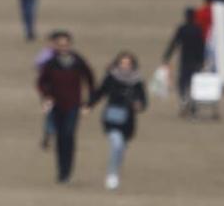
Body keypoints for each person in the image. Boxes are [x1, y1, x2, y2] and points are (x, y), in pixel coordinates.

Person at [36, 31, 96, 186]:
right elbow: (41, 82)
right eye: (60, 44)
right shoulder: (51, 63)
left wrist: (89, 102)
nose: (63, 47)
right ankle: (61, 172)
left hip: (74, 105)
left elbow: (89, 78)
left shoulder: (77, 61)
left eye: (65, 44)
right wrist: (47, 96)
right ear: (55, 45)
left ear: (70, 45)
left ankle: (68, 172)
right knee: (60, 138)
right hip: (57, 105)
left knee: (69, 135)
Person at [91, 50, 147, 192]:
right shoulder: (111, 77)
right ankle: (112, 175)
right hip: (111, 118)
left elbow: (143, 99)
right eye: (122, 63)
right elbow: (100, 92)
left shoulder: (137, 80)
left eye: (128, 63)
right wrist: (88, 106)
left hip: (128, 121)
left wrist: (139, 104)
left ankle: (116, 169)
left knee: (121, 147)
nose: (125, 66)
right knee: (116, 143)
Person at [162, 7, 206, 114]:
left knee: (182, 82)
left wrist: (167, 56)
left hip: (185, 59)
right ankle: (193, 104)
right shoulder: (198, 29)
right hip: (196, 60)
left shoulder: (182, 29)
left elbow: (174, 43)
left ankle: (183, 100)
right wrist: (202, 60)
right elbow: (202, 46)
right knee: (195, 82)